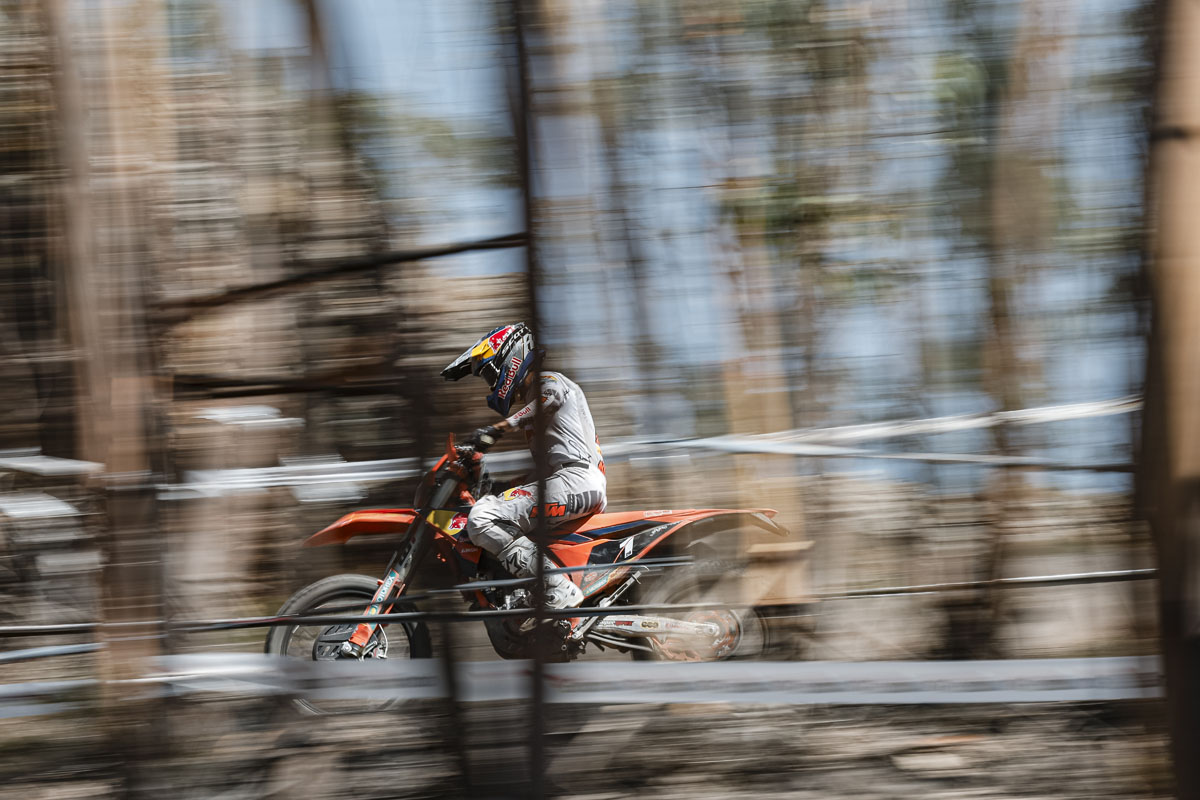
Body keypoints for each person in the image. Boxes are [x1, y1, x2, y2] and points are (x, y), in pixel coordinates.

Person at [441, 322, 606, 609]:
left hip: (578, 481)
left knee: (482, 519)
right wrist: (499, 486)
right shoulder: (535, 409)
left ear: (511, 358)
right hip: (572, 483)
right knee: (497, 515)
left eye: (490, 374)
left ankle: (554, 586)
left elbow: (549, 398)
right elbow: (543, 475)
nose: (491, 384)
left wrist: (497, 430)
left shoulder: (549, 381)